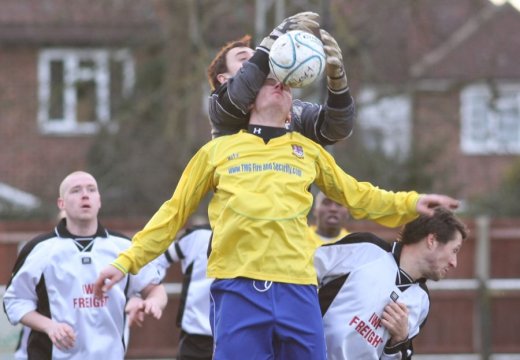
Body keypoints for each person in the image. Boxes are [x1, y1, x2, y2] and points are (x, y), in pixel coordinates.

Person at [94, 76, 459, 360]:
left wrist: (412, 203)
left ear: (290, 112)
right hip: (238, 286)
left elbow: (358, 196)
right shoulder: (217, 151)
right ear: (251, 99)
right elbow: (172, 213)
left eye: (288, 86)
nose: (281, 86)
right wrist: (126, 263)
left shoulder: (308, 152)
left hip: (297, 290)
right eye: (271, 81)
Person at [3, 171, 167, 359]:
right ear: (61, 204)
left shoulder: (124, 248)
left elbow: (155, 289)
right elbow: (13, 301)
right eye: (76, 190)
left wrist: (154, 302)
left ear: (99, 200)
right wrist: (49, 326)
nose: (85, 194)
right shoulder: (40, 249)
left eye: (91, 189)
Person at [315, 207, 468, 359]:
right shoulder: (367, 249)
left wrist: (400, 340)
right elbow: (302, 274)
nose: (454, 263)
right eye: (454, 251)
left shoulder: (422, 302)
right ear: (432, 240)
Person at [207, 12, 356, 146]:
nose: (256, 60)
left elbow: (337, 130)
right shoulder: (220, 109)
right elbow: (239, 93)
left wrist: (339, 86)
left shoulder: (294, 112)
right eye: (243, 59)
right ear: (223, 79)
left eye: (255, 55)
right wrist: (272, 41)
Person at [153, 223, 213, 360]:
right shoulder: (197, 236)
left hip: (235, 333)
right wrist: (152, 290)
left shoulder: (250, 237)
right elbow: (159, 259)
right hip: (196, 336)